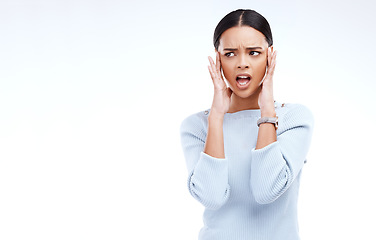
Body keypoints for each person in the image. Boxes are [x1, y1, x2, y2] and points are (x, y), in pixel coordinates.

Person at [179, 9, 314, 240]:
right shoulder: (197, 126)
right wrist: (217, 116)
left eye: (254, 52)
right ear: (218, 58)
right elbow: (211, 197)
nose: (242, 63)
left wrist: (266, 111)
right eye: (230, 54)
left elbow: (266, 190)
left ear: (270, 55)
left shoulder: (294, 119)